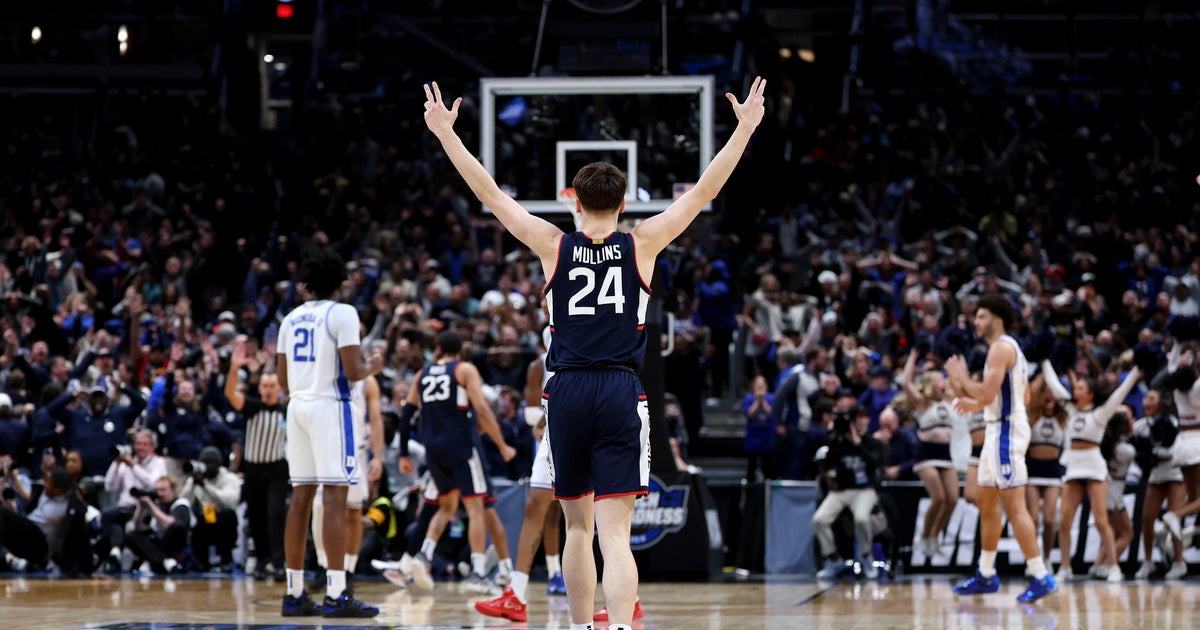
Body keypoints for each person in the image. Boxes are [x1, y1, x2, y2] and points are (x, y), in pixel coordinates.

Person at [423, 75, 766, 630]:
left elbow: (489, 194)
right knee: (616, 535)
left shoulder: (552, 245)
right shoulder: (644, 243)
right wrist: (745, 128)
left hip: (566, 392)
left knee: (577, 529)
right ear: (625, 202)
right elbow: (704, 192)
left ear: (573, 200)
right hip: (619, 389)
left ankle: (582, 627)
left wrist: (446, 135)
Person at [275, 247, 383, 618]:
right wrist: (374, 366)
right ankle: (337, 592)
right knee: (336, 499)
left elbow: (280, 379)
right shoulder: (343, 313)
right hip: (328, 408)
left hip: (298, 407)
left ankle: (293, 592)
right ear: (339, 282)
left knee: (300, 500)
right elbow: (353, 372)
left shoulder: (289, 319)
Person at [946, 293, 1055, 603]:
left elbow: (987, 389)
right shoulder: (1011, 350)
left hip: (1005, 430)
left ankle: (1040, 575)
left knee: (1014, 506)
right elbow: (1019, 397)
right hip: (1000, 426)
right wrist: (976, 402)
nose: (975, 322)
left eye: (980, 316)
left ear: (997, 318)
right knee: (986, 502)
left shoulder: (1000, 348)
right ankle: (986, 573)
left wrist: (961, 378)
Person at [400, 331, 516, 593]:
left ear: (438, 348)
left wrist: (404, 453)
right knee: (477, 508)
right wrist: (502, 445)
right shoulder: (464, 370)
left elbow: (406, 414)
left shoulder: (423, 374)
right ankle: (477, 571)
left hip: (433, 450)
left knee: (447, 505)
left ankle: (423, 555)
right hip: (462, 446)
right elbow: (483, 409)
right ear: (461, 349)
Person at [1040, 359, 1141, 581]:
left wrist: (1136, 371)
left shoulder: (1102, 412)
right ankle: (1065, 568)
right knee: (1064, 521)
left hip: (1094, 465)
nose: (1075, 391)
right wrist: (1045, 359)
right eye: (1075, 388)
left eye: (1080, 388)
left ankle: (1114, 567)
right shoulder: (1070, 409)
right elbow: (1054, 384)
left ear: (1091, 394)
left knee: (1101, 520)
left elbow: (1121, 393)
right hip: (1074, 465)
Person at [310, 373, 385, 592]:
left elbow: (376, 420)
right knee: (320, 509)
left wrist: (378, 457)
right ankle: (323, 565)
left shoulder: (366, 382)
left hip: (357, 453)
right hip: (327, 450)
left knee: (353, 513)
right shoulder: (325, 373)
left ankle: (349, 569)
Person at [223, 340, 288, 580]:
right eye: (264, 385)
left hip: (277, 469)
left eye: (272, 385)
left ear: (280, 388)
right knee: (257, 517)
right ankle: (262, 560)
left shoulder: (286, 411)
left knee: (276, 513)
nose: (268, 389)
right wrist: (234, 368)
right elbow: (230, 393)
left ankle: (279, 562)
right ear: (259, 388)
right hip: (253, 470)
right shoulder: (252, 407)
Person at [900, 350, 962, 558]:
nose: (942, 383)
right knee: (938, 498)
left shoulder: (949, 400)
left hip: (945, 454)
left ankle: (934, 536)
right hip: (926, 454)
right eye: (937, 380)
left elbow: (962, 381)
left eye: (942, 379)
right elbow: (906, 383)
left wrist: (957, 361)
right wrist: (914, 355)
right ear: (928, 384)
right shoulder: (922, 402)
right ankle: (924, 535)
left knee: (952, 499)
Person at [1130, 390, 1188, 579]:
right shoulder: (1139, 426)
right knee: (1147, 518)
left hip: (1175, 471)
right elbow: (1135, 451)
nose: (1147, 401)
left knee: (1173, 517)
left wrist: (1151, 452)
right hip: (1155, 473)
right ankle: (1148, 562)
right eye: (1145, 398)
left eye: (1152, 398)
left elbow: (1173, 450)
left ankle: (1179, 562)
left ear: (1161, 403)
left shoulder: (1171, 421)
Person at [1024, 371, 1067, 570]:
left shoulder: (1063, 417)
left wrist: (1052, 371)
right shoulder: (1034, 414)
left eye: (1052, 392)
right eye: (1045, 392)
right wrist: (1042, 369)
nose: (1049, 395)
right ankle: (1032, 560)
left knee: (1049, 520)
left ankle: (1047, 558)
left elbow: (1067, 397)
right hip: (1033, 469)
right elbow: (1031, 392)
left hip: (1052, 471)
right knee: (1032, 518)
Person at [180, 446, 241, 573]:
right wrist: (192, 484)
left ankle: (225, 560)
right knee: (196, 519)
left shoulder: (229, 478)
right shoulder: (196, 478)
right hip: (204, 519)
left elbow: (229, 503)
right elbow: (183, 502)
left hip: (222, 521)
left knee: (228, 516)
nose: (205, 466)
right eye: (203, 462)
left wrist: (206, 486)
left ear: (218, 464)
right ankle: (201, 561)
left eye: (209, 463)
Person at [124, 476, 191, 575]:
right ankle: (166, 562)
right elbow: (138, 527)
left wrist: (151, 505)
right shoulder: (157, 505)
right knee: (131, 535)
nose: (159, 494)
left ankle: (155, 561)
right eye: (157, 490)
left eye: (163, 490)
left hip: (177, 545)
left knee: (175, 527)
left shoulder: (181, 504)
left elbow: (169, 525)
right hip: (158, 544)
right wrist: (141, 507)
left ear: (173, 490)